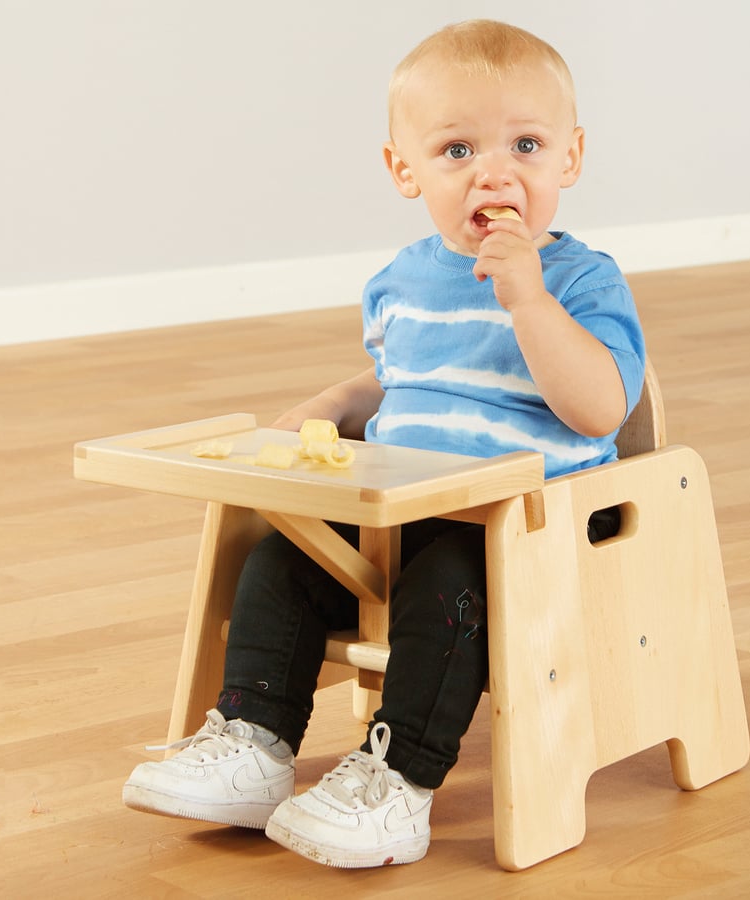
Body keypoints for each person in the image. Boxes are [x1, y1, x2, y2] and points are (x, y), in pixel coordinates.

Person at [122, 19, 645, 869]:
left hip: (519, 540)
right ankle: (253, 741)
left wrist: (531, 302)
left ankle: (395, 783)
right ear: (404, 170)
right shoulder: (399, 281)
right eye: (456, 150)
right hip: (396, 520)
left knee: (450, 583)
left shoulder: (582, 281)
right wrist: (332, 405)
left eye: (525, 143)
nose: (495, 171)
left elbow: (600, 408)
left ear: (570, 159)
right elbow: (399, 381)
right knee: (280, 559)